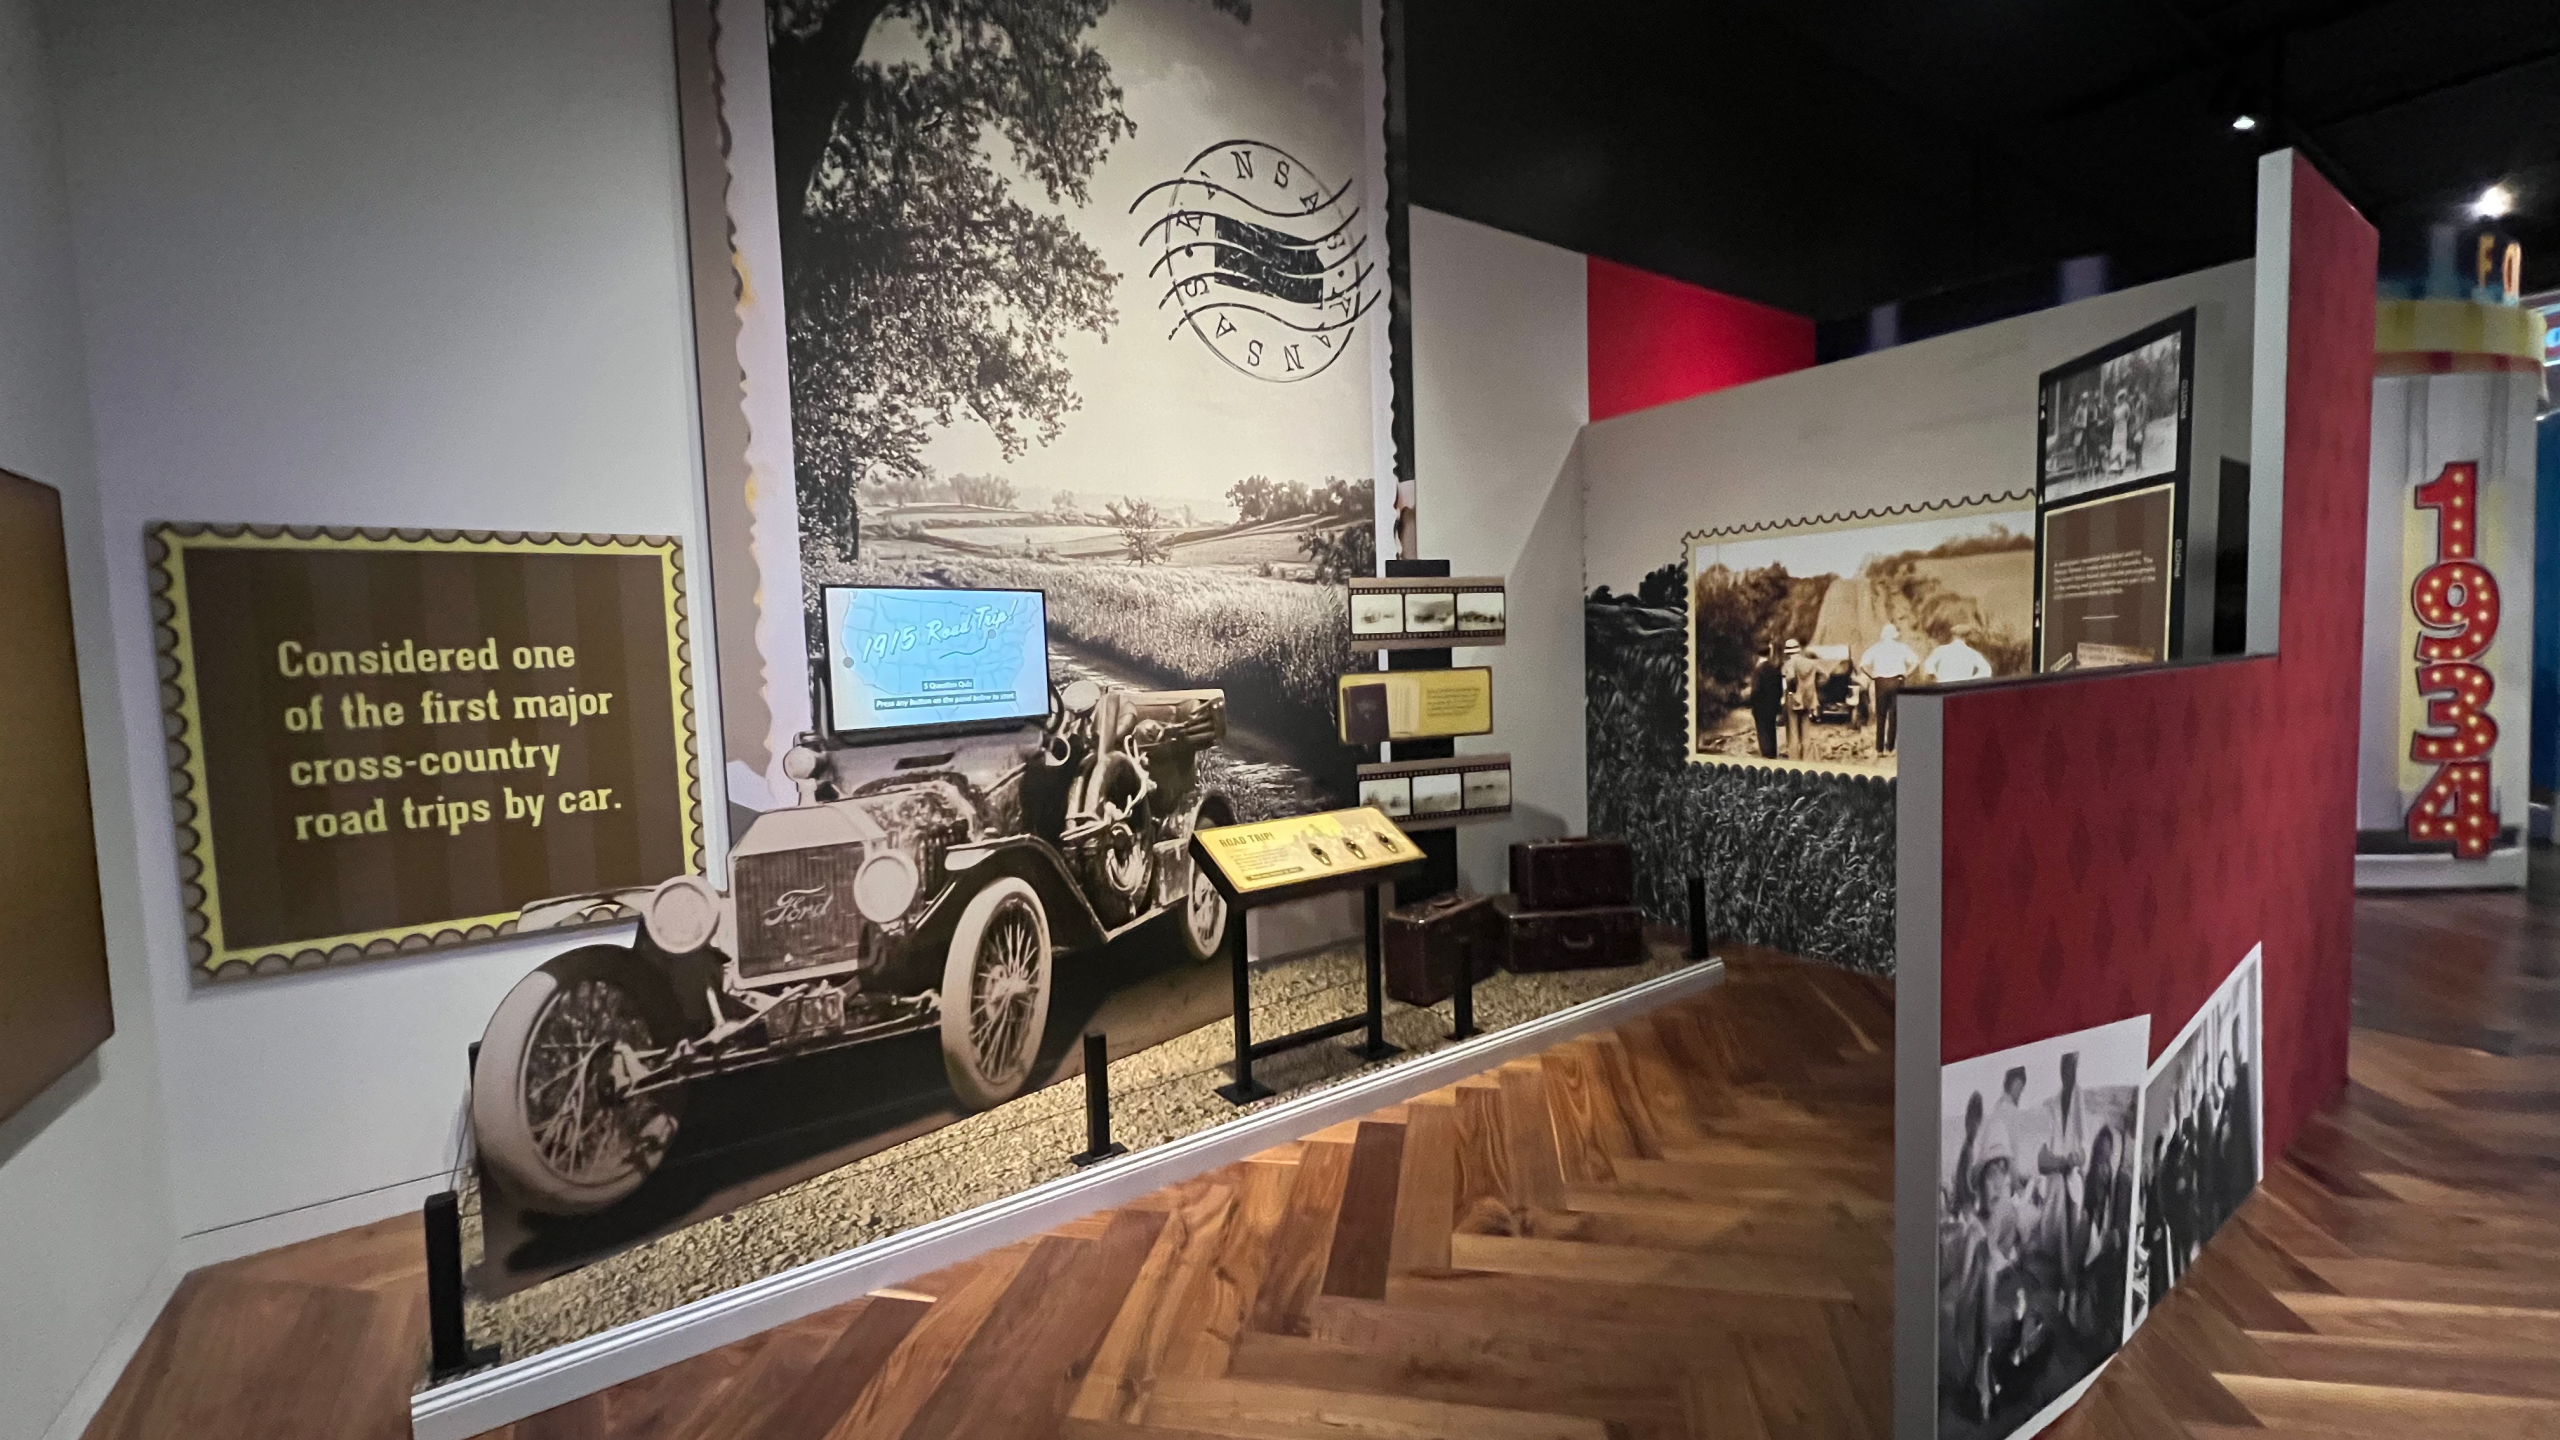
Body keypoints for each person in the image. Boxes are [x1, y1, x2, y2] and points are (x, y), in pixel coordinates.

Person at [1860, 623, 1918, 754]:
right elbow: (1915, 661)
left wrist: (1872, 676)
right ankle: (1890, 748)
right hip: (1897, 681)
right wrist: (1906, 674)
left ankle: (1879, 748)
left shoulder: (1876, 648)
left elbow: (1863, 665)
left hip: (1880, 682)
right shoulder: (1902, 648)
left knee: (1880, 715)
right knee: (1894, 715)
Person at [1780, 638, 1822, 761]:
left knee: (1792, 731)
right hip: (1808, 699)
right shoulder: (1811, 663)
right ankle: (1807, 758)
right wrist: (1813, 687)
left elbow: (1790, 678)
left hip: (1793, 699)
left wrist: (1792, 691)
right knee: (1805, 730)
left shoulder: (1788, 664)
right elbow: (1824, 675)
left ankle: (1794, 759)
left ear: (1787, 652)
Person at [1746, 641, 1783, 759]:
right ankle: (1773, 753)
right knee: (1771, 730)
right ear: (1769, 654)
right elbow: (1780, 689)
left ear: (1757, 655)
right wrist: (1777, 703)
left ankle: (1766, 755)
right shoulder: (1775, 669)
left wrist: (1750, 703)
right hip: (1772, 706)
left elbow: (1756, 689)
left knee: (1762, 731)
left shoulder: (1758, 671)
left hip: (1760, 707)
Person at [1924, 626, 1994, 685]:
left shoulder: (1941, 649)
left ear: (1953, 636)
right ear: (1966, 638)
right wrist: (1970, 680)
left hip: (1943, 686)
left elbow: (1927, 666)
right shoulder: (1972, 653)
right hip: (1962, 688)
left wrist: (1935, 678)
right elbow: (1987, 671)